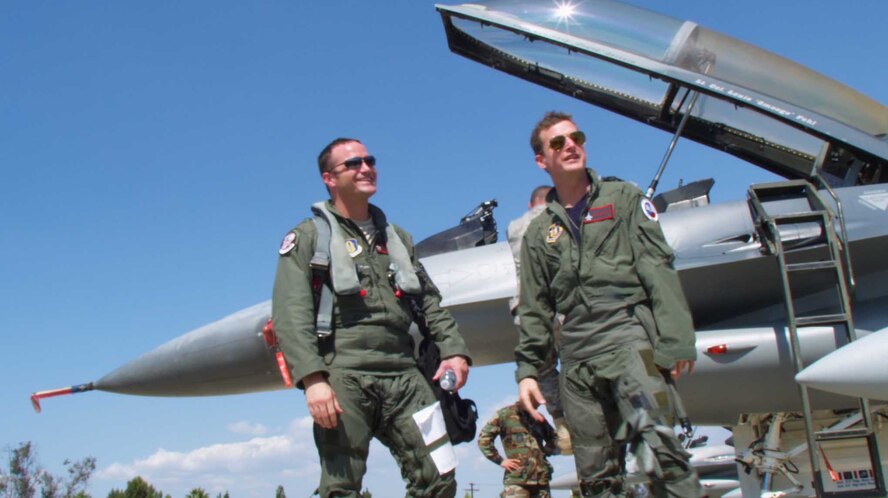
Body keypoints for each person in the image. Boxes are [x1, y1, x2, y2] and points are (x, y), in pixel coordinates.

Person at [272, 137, 472, 498]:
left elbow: (429, 302)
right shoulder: (307, 238)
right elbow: (290, 313)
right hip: (345, 375)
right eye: (353, 163)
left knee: (440, 477)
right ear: (328, 179)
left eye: (369, 160)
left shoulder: (397, 238)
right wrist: (313, 378)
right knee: (341, 487)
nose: (366, 168)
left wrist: (454, 350)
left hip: (405, 376)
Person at [514, 112, 700, 497]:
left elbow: (657, 268)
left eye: (576, 137)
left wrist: (676, 339)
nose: (570, 145)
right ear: (541, 160)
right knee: (596, 476)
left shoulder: (625, 199)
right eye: (557, 142)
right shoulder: (536, 235)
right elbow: (535, 308)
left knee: (663, 451)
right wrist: (528, 371)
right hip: (577, 358)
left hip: (630, 339)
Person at [506, 186, 572, 456]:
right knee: (577, 361)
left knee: (543, 369)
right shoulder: (562, 218)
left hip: (530, 311)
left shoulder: (515, 227)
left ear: (529, 202)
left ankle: (562, 425)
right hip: (565, 305)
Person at [477, 401, 557, 498]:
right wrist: (500, 460)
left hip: (541, 481)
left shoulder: (538, 417)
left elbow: (555, 438)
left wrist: (545, 452)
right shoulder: (504, 414)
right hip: (517, 480)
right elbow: (483, 439)